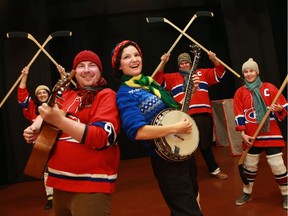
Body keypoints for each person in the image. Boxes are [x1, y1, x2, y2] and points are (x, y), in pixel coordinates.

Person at [23, 50, 121, 216]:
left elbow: (102, 137)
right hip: (59, 184)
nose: (87, 70)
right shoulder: (67, 95)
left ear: (100, 70)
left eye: (92, 65)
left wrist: (59, 120)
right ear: (74, 73)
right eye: (81, 66)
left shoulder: (106, 95)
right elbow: (50, 118)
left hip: (91, 185)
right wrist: (35, 130)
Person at [112, 40, 202, 216]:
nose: (134, 59)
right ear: (119, 66)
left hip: (182, 149)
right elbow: (137, 132)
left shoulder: (149, 84)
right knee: (187, 211)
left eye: (136, 55)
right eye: (127, 57)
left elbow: (175, 112)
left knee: (194, 201)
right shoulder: (124, 94)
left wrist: (191, 90)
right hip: (166, 160)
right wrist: (175, 127)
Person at [153, 50, 228, 180]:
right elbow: (156, 80)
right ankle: (186, 174)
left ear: (191, 63)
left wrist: (213, 58)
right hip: (183, 116)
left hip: (203, 114)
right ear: (178, 65)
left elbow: (221, 71)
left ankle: (214, 170)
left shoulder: (202, 73)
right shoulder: (172, 77)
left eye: (187, 62)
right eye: (181, 63)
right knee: (185, 147)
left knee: (205, 145)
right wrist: (163, 62)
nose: (184, 65)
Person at [233, 58, 288, 209]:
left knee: (277, 165)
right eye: (246, 71)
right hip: (252, 136)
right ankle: (247, 192)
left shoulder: (269, 88)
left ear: (257, 72)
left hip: (271, 133)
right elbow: (239, 115)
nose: (249, 74)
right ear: (243, 74)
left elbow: (284, 107)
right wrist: (243, 134)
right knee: (249, 166)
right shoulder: (240, 92)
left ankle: (286, 193)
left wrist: (279, 109)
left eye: (251, 71)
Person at [18, 65, 65, 210]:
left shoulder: (56, 103)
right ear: (37, 97)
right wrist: (24, 76)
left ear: (49, 93)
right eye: (40, 93)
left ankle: (65, 193)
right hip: (42, 142)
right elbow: (22, 95)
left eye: (45, 92)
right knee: (46, 170)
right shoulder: (33, 109)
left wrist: (63, 74)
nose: (43, 94)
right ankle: (50, 197)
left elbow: (65, 89)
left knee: (62, 166)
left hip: (59, 139)